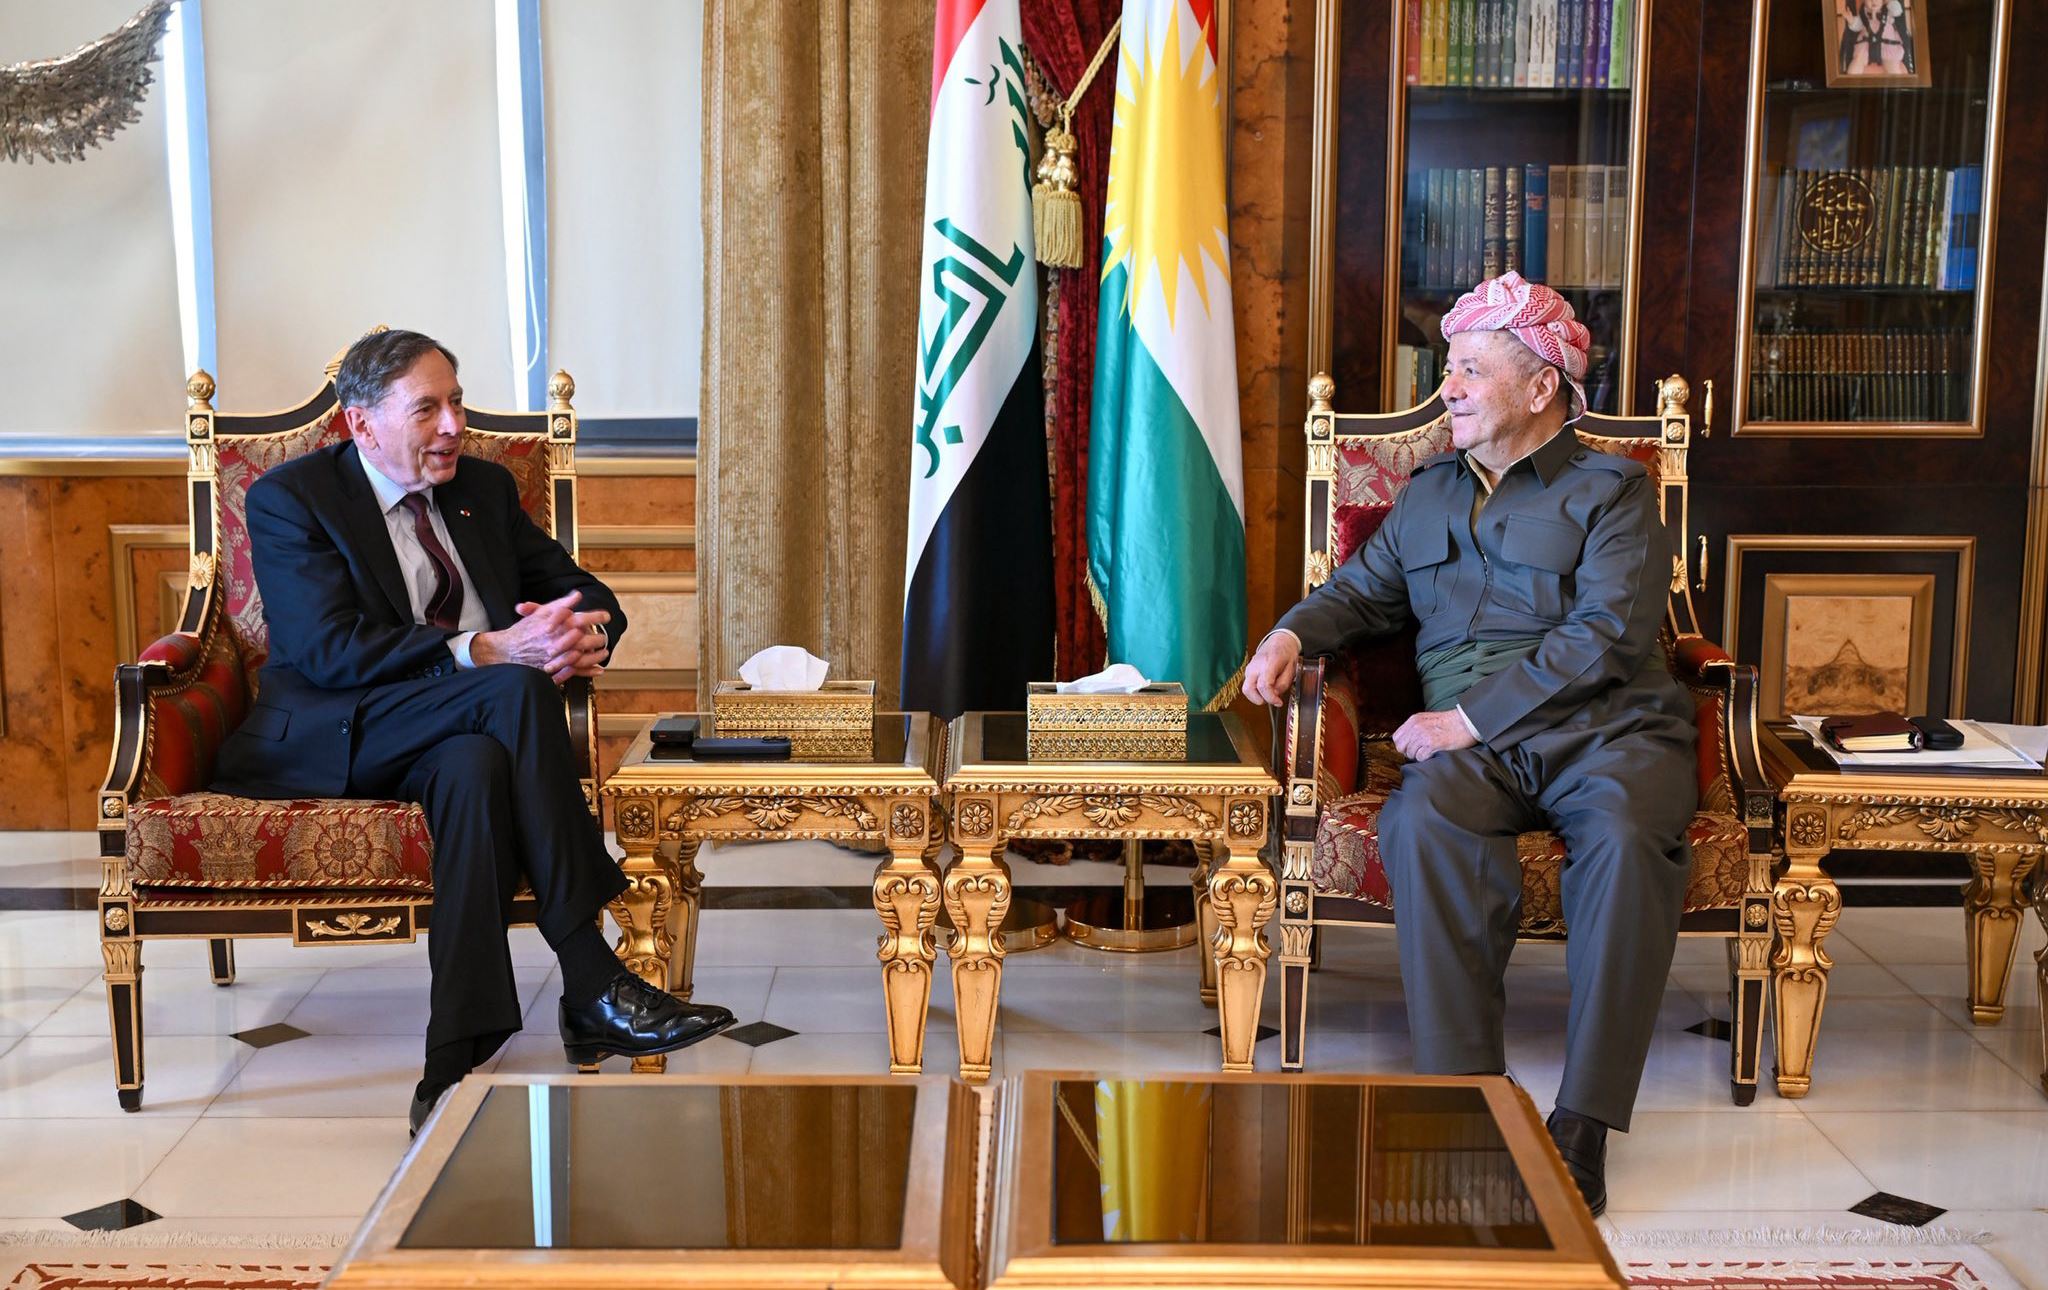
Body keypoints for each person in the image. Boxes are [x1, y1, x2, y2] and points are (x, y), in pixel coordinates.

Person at [1241, 273, 1697, 1216]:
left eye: (1470, 371)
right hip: (1479, 754)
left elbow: (1610, 634)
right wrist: (1290, 632)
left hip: (1608, 733)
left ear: (1541, 387)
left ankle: (1584, 1124)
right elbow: (1357, 595)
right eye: (1448, 367)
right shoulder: (1427, 496)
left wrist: (1470, 719)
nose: (1446, 387)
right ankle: (1471, 1099)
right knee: (1424, 820)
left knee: (1625, 841)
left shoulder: (1615, 490)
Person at [212, 329, 734, 1136]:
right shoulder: (294, 498)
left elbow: (585, 593)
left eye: (455, 402)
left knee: (475, 770)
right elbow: (326, 650)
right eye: (427, 409)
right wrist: (486, 650)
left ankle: (451, 1063)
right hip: (339, 728)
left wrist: (581, 635)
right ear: (361, 423)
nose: (455, 425)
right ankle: (591, 977)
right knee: (512, 691)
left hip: (462, 731)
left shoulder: (481, 490)